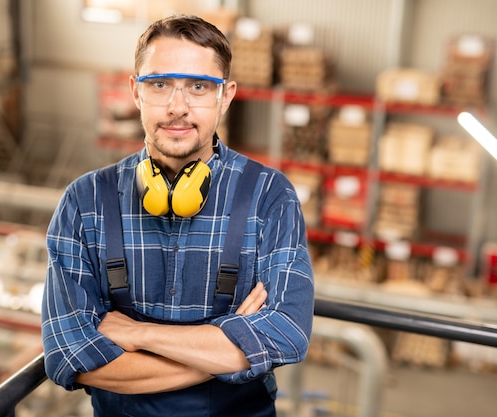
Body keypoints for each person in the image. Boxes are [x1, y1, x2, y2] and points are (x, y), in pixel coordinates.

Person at [41, 14, 314, 417]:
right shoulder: (85, 202)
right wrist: (229, 350)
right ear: (135, 91)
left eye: (199, 87)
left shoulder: (269, 196)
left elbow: (286, 334)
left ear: (226, 95)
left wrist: (138, 334)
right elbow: (70, 354)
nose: (177, 107)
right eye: (159, 84)